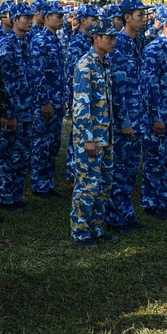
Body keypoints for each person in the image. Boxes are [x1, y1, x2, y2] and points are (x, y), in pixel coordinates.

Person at [70, 15, 118, 246]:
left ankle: (97, 227)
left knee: (103, 185)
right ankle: (81, 231)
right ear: (96, 38)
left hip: (105, 135)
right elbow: (81, 106)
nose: (113, 41)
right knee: (87, 186)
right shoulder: (85, 65)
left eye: (114, 37)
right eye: (109, 37)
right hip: (90, 138)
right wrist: (88, 139)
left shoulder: (104, 63)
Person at [107, 0, 149, 229]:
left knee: (130, 170)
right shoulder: (119, 45)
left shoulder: (134, 43)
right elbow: (117, 88)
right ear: (127, 18)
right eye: (140, 15)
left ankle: (126, 214)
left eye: (145, 15)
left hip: (137, 117)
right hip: (126, 121)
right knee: (120, 171)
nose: (144, 19)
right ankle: (116, 217)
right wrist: (124, 121)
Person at [140, 7, 167, 217]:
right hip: (158, 118)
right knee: (155, 161)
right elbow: (150, 87)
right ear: (166, 25)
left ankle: (163, 203)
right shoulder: (154, 49)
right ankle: (151, 203)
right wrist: (156, 117)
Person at [0, 3, 36, 210]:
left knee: (22, 154)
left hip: (26, 109)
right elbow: (4, 83)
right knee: (8, 154)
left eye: (31, 18)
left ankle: (16, 196)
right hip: (13, 111)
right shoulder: (6, 45)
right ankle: (4, 197)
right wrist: (9, 113)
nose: (29, 21)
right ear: (15, 20)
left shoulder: (25, 43)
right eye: (25, 18)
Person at [30, 2, 68, 198]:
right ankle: (39, 185)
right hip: (45, 103)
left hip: (57, 101)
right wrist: (44, 101)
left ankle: (48, 183)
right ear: (46, 18)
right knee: (42, 145)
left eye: (62, 16)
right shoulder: (40, 41)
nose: (62, 19)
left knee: (53, 144)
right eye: (57, 16)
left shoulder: (55, 39)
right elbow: (38, 73)